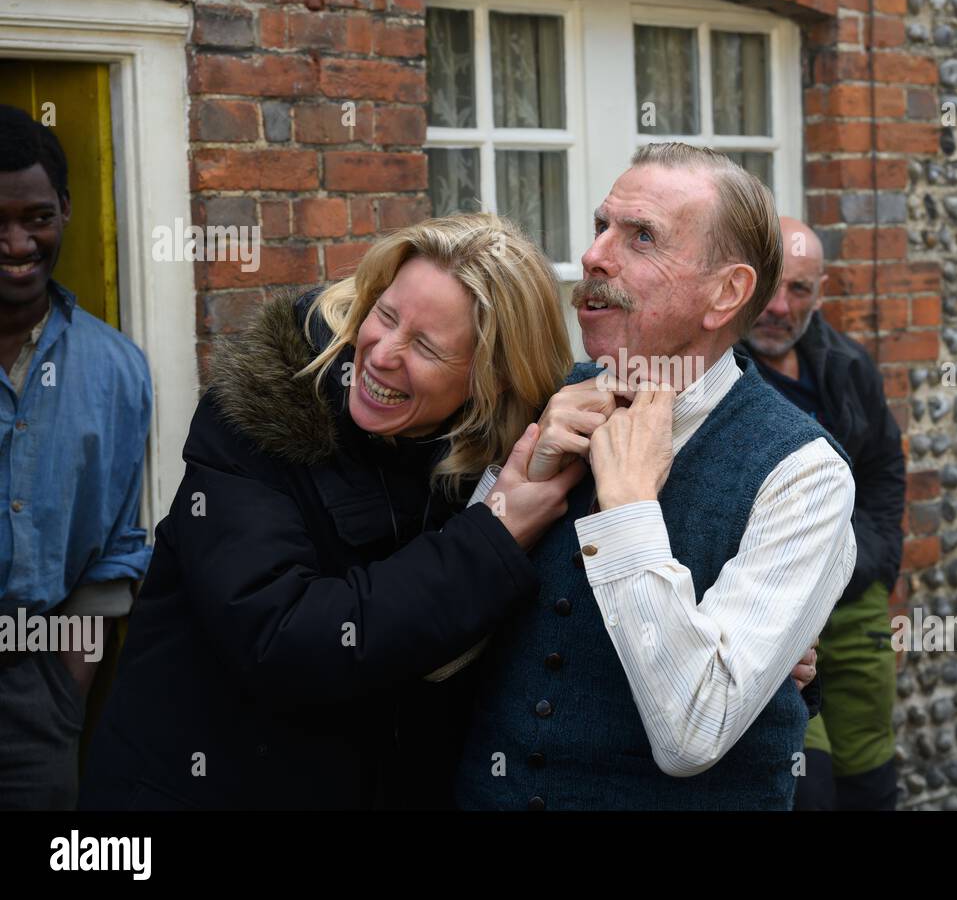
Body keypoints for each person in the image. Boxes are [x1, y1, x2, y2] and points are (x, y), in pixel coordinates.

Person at [79, 214, 586, 809]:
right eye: (387, 316)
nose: (383, 354)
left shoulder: (502, 464)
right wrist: (492, 537)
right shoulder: (256, 421)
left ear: (491, 379)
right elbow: (282, 637)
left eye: (425, 346)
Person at [454, 143, 856, 811]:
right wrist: (512, 485)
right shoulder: (544, 408)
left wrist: (629, 509)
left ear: (726, 292)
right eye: (601, 226)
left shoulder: (803, 474)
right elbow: (438, 649)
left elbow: (695, 731)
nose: (594, 256)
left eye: (640, 236)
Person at [0, 106, 153, 809]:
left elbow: (116, 549)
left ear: (64, 208)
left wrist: (66, 684)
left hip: (37, 702)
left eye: (35, 216)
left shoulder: (117, 370)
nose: (15, 242)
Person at [738, 216, 906, 810]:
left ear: (822, 291)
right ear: (743, 283)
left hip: (854, 599)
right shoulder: (715, 373)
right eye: (771, 287)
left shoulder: (845, 363)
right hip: (773, 606)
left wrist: (881, 558)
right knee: (807, 783)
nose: (780, 307)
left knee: (870, 768)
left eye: (800, 290)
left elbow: (886, 465)